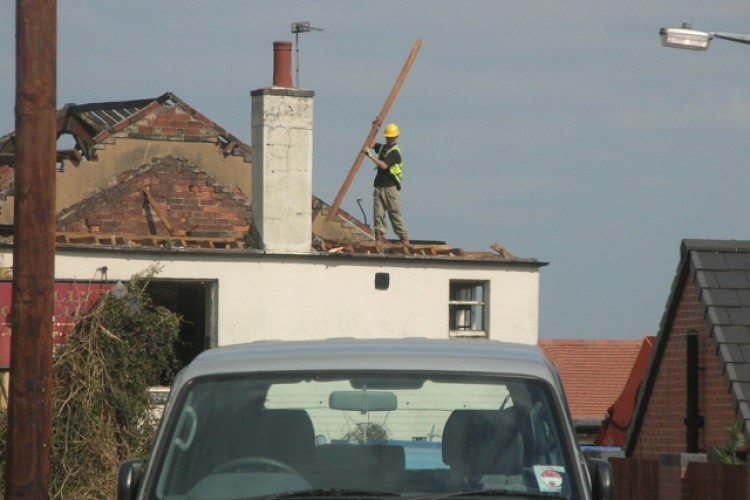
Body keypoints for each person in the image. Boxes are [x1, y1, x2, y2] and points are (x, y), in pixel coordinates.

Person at [363, 123, 411, 253]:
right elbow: (373, 144)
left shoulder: (395, 153)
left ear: (396, 137)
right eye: (388, 137)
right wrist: (373, 131)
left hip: (390, 188)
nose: (389, 140)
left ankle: (405, 243)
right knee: (378, 215)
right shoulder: (384, 148)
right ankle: (378, 242)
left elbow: (384, 166)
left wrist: (371, 156)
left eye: (391, 137)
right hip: (379, 187)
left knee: (394, 214)